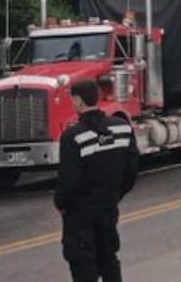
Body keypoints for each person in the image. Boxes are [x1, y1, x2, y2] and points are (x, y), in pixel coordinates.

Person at [55, 80, 140, 282]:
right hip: (108, 207)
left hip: (80, 214)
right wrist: (115, 195)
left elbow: (69, 180)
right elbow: (132, 170)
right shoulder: (122, 129)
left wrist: (61, 204)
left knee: (83, 263)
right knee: (109, 258)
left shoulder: (73, 137)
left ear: (77, 101)